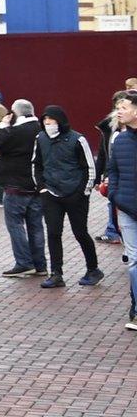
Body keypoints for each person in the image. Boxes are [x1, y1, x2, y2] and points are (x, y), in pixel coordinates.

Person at [32, 105, 103, 288]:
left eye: (52, 121)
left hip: (75, 194)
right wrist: (42, 188)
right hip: (51, 194)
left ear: (60, 121)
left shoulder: (77, 139)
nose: (48, 124)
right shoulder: (40, 138)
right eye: (45, 121)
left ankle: (93, 269)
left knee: (80, 232)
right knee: (53, 233)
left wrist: (82, 192)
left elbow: (90, 168)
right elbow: (36, 164)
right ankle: (56, 273)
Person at [0, 98, 47, 278]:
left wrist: (2, 125)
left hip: (15, 186)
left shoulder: (14, 131)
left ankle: (24, 262)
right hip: (36, 186)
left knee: (15, 225)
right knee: (36, 226)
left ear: (15, 113)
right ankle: (40, 264)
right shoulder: (41, 131)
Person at [102, 89, 137, 323]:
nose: (119, 111)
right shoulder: (120, 139)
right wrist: (114, 194)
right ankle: (136, 307)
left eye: (123, 107)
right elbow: (112, 169)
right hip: (126, 207)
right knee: (134, 260)